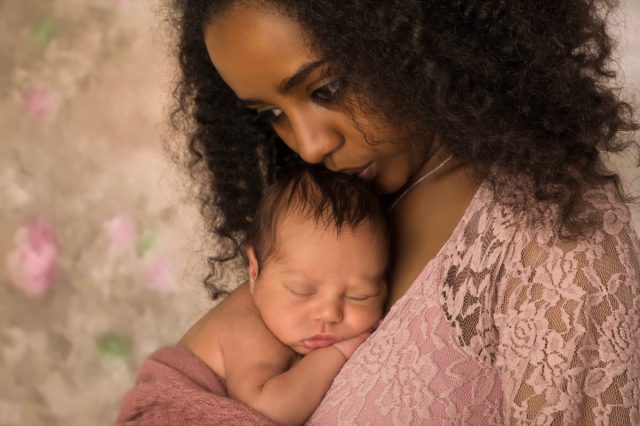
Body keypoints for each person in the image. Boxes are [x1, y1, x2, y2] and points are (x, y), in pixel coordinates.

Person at [122, 0, 640, 424]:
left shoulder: (555, 241)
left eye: (326, 89)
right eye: (273, 114)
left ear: (417, 39)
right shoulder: (333, 212)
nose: (308, 145)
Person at [116, 166, 388, 425]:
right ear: (255, 270)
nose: (330, 313)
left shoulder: (283, 315)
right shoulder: (248, 326)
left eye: (360, 296)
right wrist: (337, 353)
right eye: (301, 291)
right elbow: (267, 410)